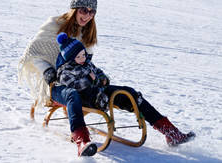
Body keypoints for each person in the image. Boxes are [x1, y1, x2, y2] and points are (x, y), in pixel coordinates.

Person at [18, 0, 195, 157]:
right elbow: (34, 53)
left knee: (128, 93)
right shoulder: (55, 24)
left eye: (91, 11)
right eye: (83, 10)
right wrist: (48, 72)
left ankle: (171, 132)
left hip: (86, 85)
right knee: (72, 94)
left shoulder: (87, 32)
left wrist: (99, 78)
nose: (87, 15)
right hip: (56, 84)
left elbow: (87, 64)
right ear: (74, 8)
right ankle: (82, 141)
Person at [56, 32, 109, 112]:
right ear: (70, 59)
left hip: (99, 89)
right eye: (78, 57)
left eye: (83, 55)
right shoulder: (67, 70)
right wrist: (89, 80)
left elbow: (98, 71)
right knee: (94, 95)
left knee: (119, 91)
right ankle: (100, 101)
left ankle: (131, 100)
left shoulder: (87, 63)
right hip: (83, 96)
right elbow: (72, 86)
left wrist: (102, 78)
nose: (82, 58)